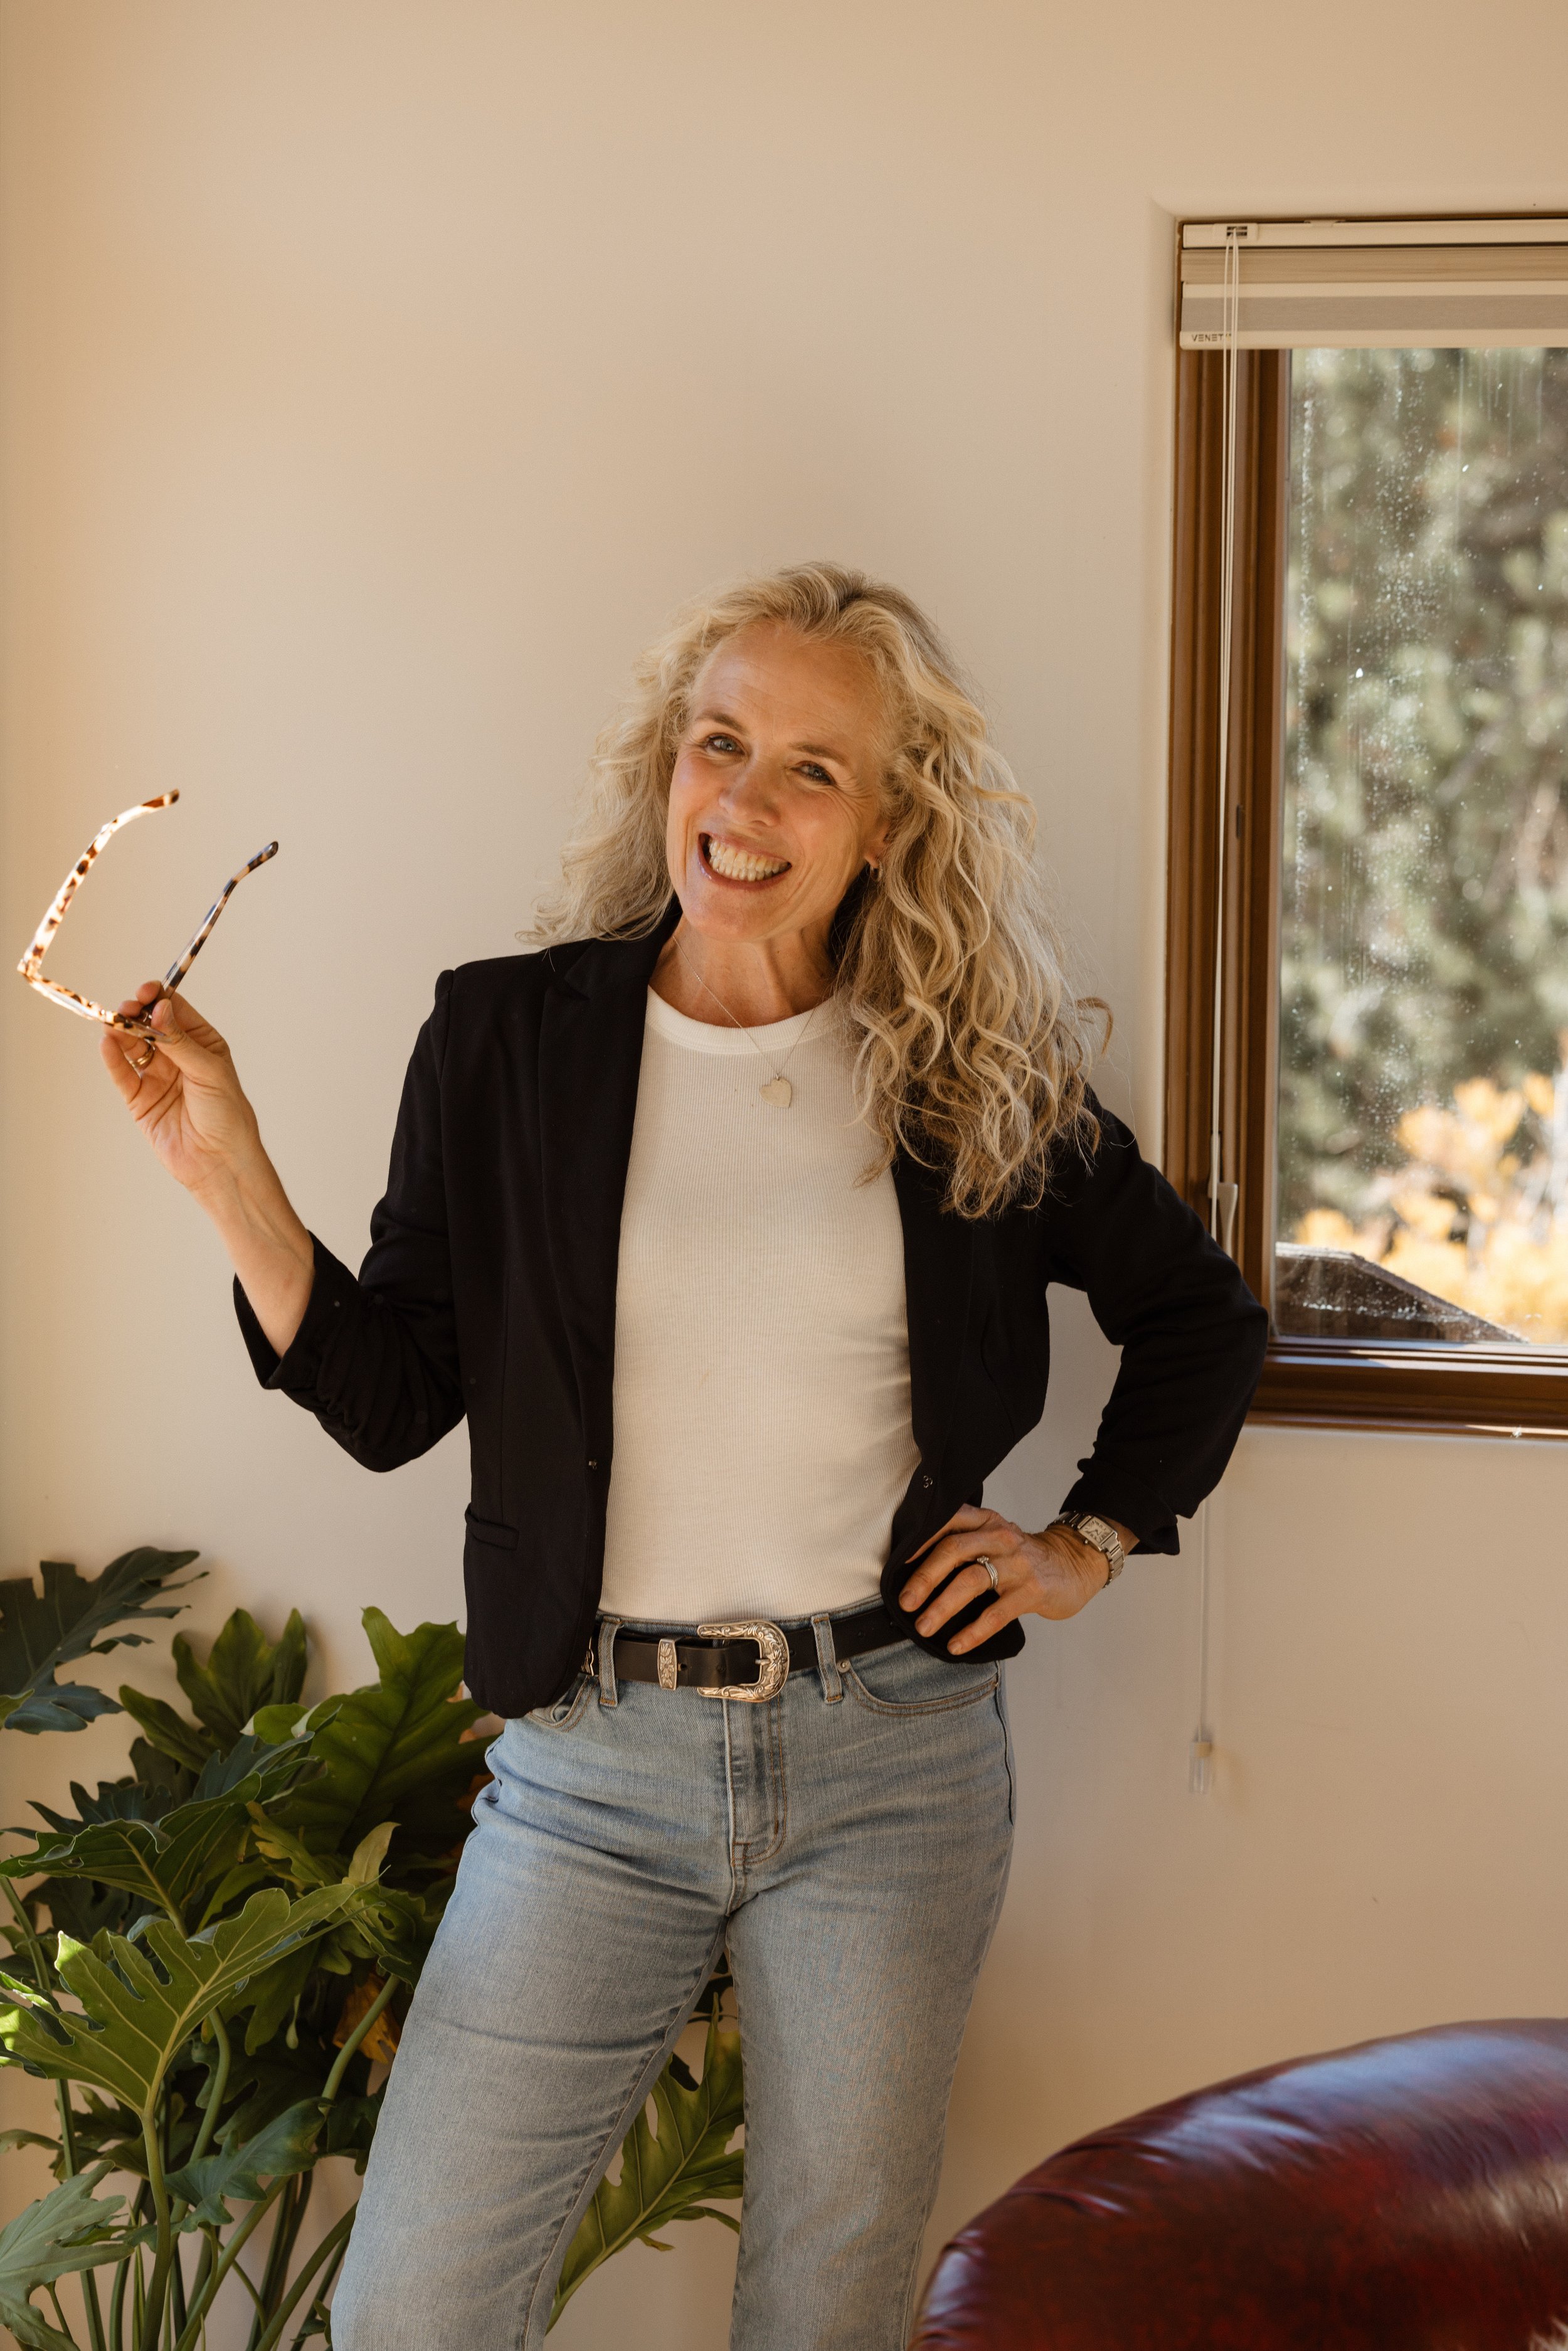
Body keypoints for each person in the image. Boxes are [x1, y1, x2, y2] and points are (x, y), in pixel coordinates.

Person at [102, 563, 1268, 2350]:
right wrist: (227, 1168)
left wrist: (1086, 1539)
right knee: (413, 2310)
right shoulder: (507, 1040)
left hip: (891, 1763)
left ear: (889, 824)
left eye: (813, 768)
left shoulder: (969, 1072)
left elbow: (1198, 1313)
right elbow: (395, 1395)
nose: (745, 800)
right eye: (720, 742)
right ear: (669, 761)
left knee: (822, 2306)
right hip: (591, 1769)